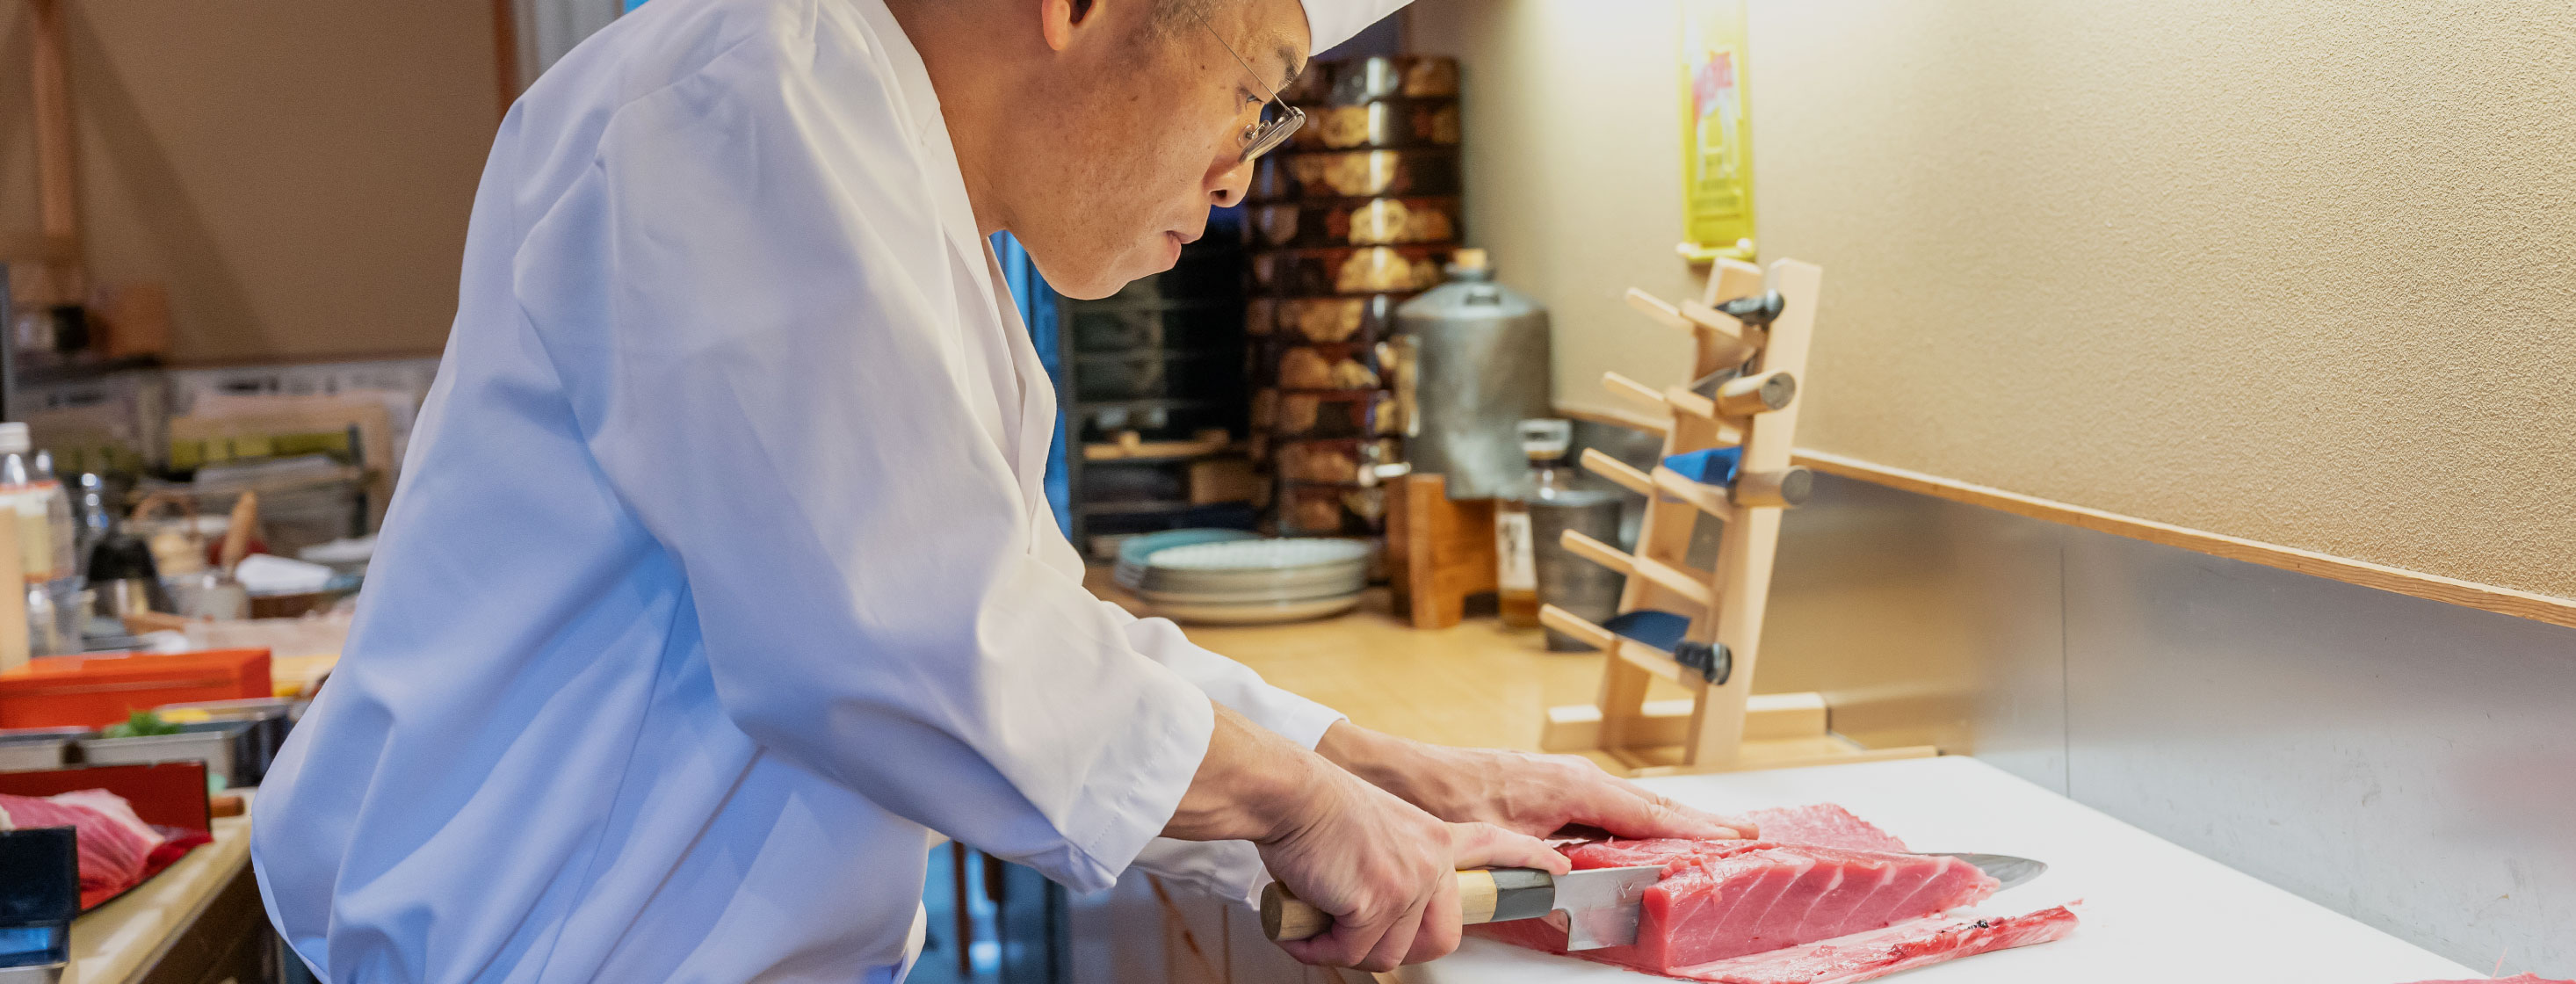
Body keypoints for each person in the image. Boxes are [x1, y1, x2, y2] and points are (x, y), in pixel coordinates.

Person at [251, 0, 1755, 980]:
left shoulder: (906, 187)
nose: (1243, 178)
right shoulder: (749, 91)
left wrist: (1383, 768)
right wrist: (1297, 803)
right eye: (1254, 92)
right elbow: (896, 638)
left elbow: (1015, 621)